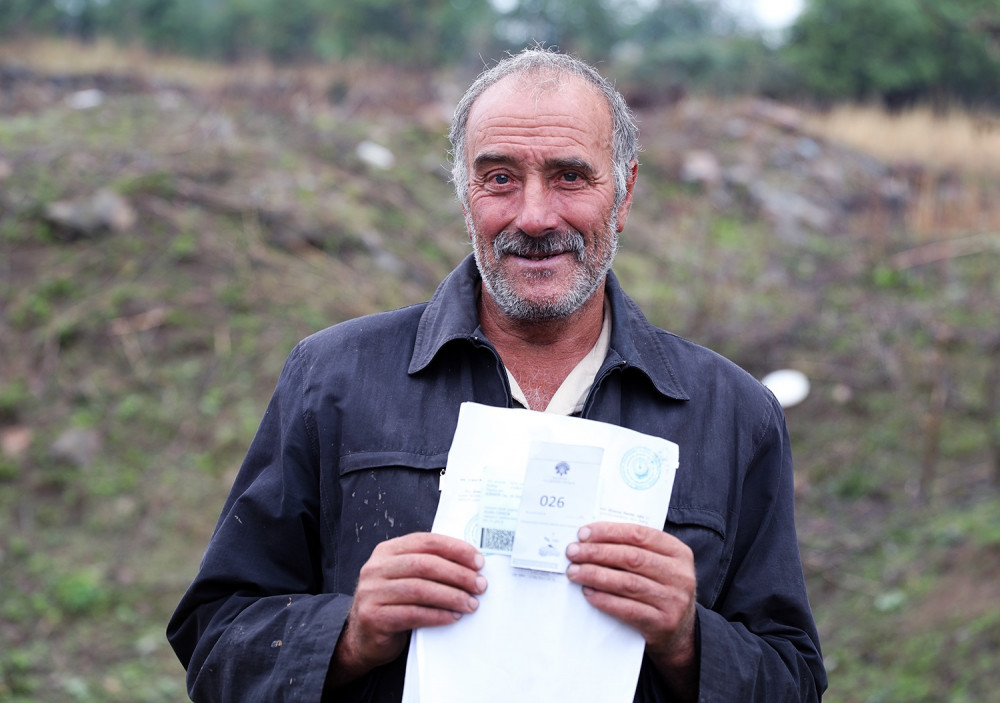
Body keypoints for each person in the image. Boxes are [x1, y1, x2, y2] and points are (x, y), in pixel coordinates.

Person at [167, 48, 826, 702]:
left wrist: (687, 639)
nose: (534, 216)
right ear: (465, 195)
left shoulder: (733, 413)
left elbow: (793, 679)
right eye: (501, 178)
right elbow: (216, 641)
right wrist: (348, 632)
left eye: (570, 176)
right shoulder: (333, 379)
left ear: (622, 192)